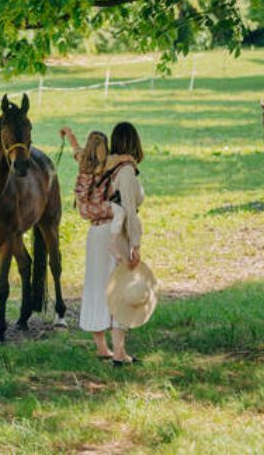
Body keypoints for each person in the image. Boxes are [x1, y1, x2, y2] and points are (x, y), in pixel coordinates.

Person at [59, 125, 133, 359]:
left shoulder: (85, 161)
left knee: (95, 284)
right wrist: (127, 157)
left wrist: (70, 135)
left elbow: (76, 150)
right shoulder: (104, 165)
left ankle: (104, 348)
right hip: (102, 219)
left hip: (92, 225)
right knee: (120, 211)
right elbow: (116, 159)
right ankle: (114, 347)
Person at [106, 121, 145, 366]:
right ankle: (119, 353)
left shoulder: (110, 168)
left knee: (115, 289)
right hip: (120, 235)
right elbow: (130, 209)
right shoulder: (127, 171)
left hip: (108, 231)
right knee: (122, 292)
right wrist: (135, 243)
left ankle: (116, 349)